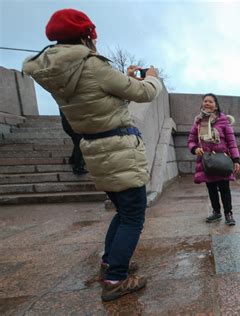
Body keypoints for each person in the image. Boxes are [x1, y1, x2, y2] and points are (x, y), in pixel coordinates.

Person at [22, 8, 162, 301]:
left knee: (123, 211)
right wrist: (152, 78)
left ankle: (110, 262)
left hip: (95, 148)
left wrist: (121, 78)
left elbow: (98, 98)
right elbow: (145, 94)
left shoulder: (56, 72)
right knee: (134, 215)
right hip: (118, 147)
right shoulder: (93, 66)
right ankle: (115, 279)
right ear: (86, 35)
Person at [187, 93, 240, 225]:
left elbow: (231, 141)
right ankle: (216, 212)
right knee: (211, 188)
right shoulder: (198, 122)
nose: (207, 103)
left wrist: (236, 159)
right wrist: (195, 149)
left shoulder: (223, 121)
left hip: (221, 159)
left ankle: (228, 213)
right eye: (205, 101)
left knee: (224, 188)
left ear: (215, 105)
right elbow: (191, 141)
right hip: (206, 160)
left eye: (210, 101)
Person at [60, 110, 87, 175]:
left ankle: (73, 160)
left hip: (68, 124)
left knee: (78, 141)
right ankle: (78, 167)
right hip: (72, 124)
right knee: (80, 142)